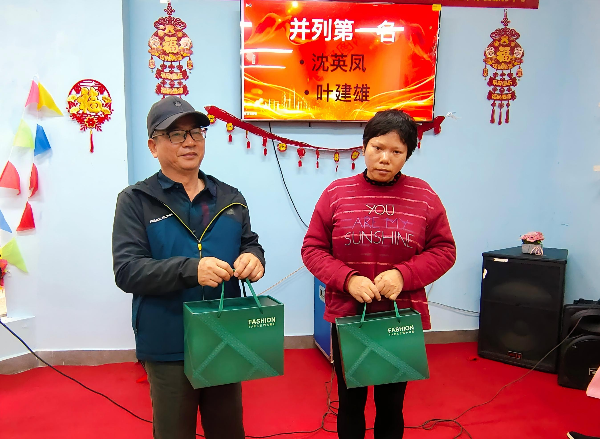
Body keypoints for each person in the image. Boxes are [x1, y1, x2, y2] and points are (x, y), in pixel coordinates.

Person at [112, 96, 265, 439]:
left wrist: (254, 258)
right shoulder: (136, 200)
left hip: (225, 333)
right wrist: (190, 270)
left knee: (227, 429)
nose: (189, 142)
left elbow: (250, 243)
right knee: (174, 431)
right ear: (153, 146)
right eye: (175, 134)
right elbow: (127, 270)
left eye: (196, 132)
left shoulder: (230, 197)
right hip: (168, 338)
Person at [301, 109, 456, 439]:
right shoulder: (336, 193)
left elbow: (444, 250)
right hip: (349, 317)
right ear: (364, 146)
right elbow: (312, 249)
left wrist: (403, 275)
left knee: (391, 404)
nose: (385, 158)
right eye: (377, 147)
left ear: (408, 154)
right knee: (350, 403)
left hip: (399, 318)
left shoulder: (424, 196)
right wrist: (348, 279)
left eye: (396, 151)